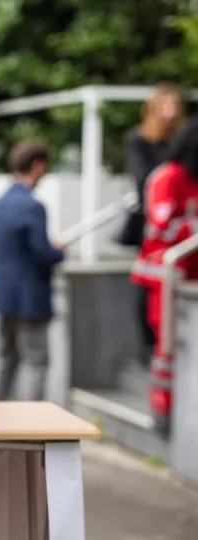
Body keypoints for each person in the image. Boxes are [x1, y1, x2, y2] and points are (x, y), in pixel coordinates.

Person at [130, 118, 198, 437]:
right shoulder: (167, 178)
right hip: (163, 280)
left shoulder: (190, 178)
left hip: (184, 279)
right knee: (165, 350)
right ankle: (162, 408)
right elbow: (163, 227)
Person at [0, 141, 64, 401]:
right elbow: (42, 253)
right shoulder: (33, 206)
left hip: (3, 296)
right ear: (37, 165)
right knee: (36, 360)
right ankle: (33, 423)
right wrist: (59, 250)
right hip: (31, 299)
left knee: (6, 358)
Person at [117, 83, 184, 367]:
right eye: (164, 107)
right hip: (151, 227)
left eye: (173, 107)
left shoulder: (182, 141)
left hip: (178, 227)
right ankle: (147, 345)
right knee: (147, 285)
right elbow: (143, 178)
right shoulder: (139, 140)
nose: (169, 113)